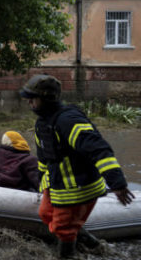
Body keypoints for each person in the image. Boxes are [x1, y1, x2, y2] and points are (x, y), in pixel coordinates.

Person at [19, 74, 135, 258]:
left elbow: (99, 149)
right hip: (57, 183)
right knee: (45, 213)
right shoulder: (43, 123)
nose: (29, 103)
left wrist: (117, 183)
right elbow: (44, 156)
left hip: (78, 187)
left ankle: (67, 254)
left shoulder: (68, 120)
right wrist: (41, 180)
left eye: (32, 99)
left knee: (63, 227)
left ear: (47, 98)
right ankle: (91, 243)